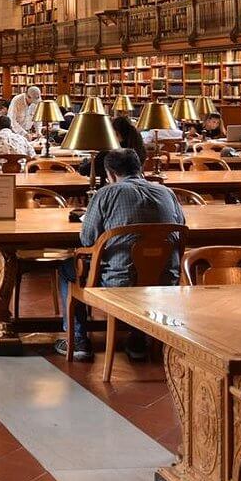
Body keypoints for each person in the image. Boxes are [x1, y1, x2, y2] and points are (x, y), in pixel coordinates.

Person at [55, 148, 185, 363]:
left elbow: (87, 240)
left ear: (111, 174)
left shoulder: (106, 193)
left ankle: (78, 341)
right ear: (139, 168)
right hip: (164, 277)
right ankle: (138, 340)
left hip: (119, 280)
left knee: (68, 268)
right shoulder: (166, 193)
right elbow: (180, 228)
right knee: (142, 272)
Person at [80, 116, 146, 181]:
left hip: (111, 186)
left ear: (116, 133)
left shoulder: (110, 153)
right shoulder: (139, 149)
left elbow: (84, 170)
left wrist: (85, 161)